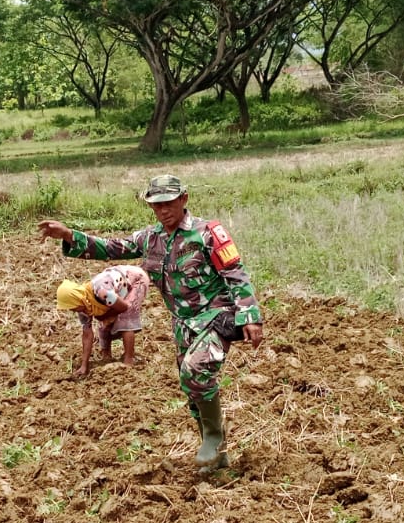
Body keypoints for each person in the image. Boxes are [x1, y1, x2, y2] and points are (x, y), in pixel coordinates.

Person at [39, 174, 263, 469]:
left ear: (184, 199)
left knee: (195, 370)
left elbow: (235, 271)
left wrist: (250, 315)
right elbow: (112, 247)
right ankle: (218, 455)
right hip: (183, 323)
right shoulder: (150, 238)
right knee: (192, 389)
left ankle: (212, 437)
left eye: (169, 203)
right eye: (156, 206)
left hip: (215, 315)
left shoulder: (207, 232)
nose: (163, 211)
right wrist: (70, 236)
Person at [56, 264, 151, 378]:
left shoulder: (102, 292)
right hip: (118, 287)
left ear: (76, 299)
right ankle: (106, 358)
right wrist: (84, 365)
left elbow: (124, 307)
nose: (72, 310)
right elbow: (87, 335)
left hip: (136, 279)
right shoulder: (83, 306)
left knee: (125, 317)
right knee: (103, 324)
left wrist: (104, 317)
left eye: (72, 307)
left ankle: (128, 361)